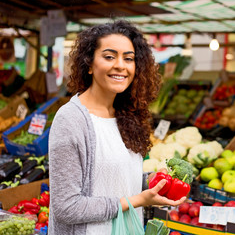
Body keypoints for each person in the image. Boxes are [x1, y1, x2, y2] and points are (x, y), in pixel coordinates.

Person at [48, 20, 185, 235]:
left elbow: (117, 179)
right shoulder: (71, 119)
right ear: (90, 64)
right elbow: (67, 207)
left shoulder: (126, 115)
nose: (121, 65)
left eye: (128, 58)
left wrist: (152, 184)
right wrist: (138, 200)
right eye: (109, 56)